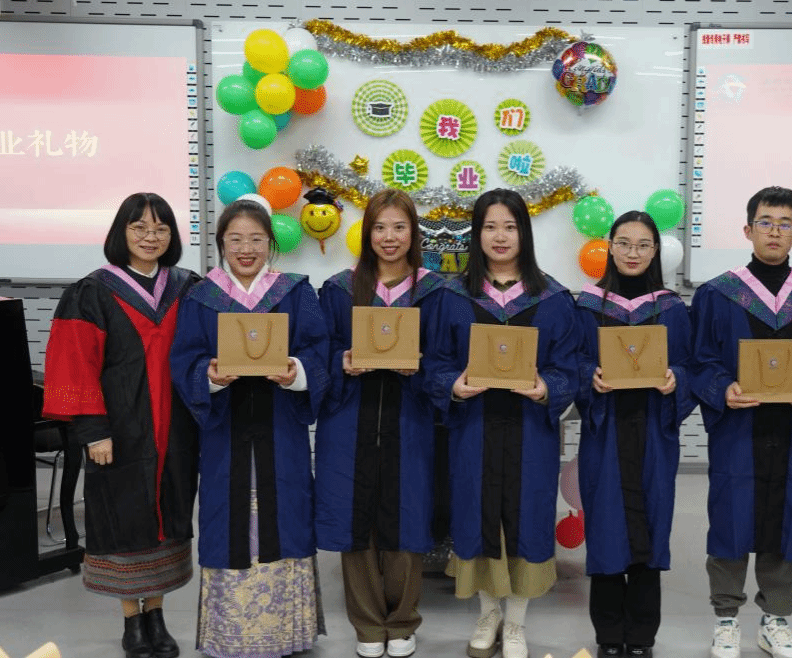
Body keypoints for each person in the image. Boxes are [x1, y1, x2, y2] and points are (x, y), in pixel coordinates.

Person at [169, 199, 330, 658]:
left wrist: (296, 371)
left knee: (288, 515)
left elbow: (317, 351)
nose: (246, 249)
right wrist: (208, 376)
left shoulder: (295, 292)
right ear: (221, 243)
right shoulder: (201, 297)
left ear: (270, 243)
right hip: (225, 434)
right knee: (227, 518)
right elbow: (184, 359)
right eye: (235, 239)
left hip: (281, 430)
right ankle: (231, 635)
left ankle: (287, 633)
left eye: (256, 239)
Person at [424, 188, 580, 658]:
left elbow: (568, 366)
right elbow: (435, 363)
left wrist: (546, 387)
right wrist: (454, 384)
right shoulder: (452, 296)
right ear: (477, 234)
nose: (500, 236)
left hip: (530, 430)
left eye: (509, 227)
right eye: (490, 226)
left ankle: (516, 622)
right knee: (477, 516)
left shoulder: (552, 298)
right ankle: (488, 613)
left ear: (524, 233)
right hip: (474, 429)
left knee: (526, 519)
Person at [42, 192, 199, 658]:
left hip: (176, 429)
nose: (151, 237)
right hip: (119, 431)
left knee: (168, 516)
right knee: (124, 519)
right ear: (121, 233)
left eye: (161, 228)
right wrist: (93, 430)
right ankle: (132, 619)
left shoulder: (187, 287)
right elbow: (75, 363)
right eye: (139, 228)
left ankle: (157, 616)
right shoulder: (93, 291)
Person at [690, 186, 792, 658]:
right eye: (766, 222)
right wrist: (722, 389)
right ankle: (726, 618)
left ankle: (776, 619)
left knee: (788, 519)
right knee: (730, 519)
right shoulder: (718, 295)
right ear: (747, 229)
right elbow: (700, 360)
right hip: (739, 431)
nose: (774, 232)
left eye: (784, 224)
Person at [315, 189, 447, 658]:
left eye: (399, 227)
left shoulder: (435, 292)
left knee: (405, 517)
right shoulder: (339, 290)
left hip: (409, 421)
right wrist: (342, 362)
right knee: (356, 521)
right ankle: (368, 626)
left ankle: (403, 621)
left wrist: (422, 369)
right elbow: (319, 349)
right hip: (350, 419)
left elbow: (448, 358)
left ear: (414, 233)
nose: (389, 237)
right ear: (366, 232)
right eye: (379, 227)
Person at [573, 211, 695, 658]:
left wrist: (677, 378)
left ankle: (642, 635)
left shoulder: (672, 308)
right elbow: (572, 359)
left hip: (652, 433)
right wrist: (589, 376)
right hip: (605, 433)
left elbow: (690, 364)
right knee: (606, 525)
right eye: (623, 243)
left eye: (643, 245)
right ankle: (608, 633)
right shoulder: (587, 305)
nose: (632, 253)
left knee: (652, 523)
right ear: (610, 247)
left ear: (655, 251)